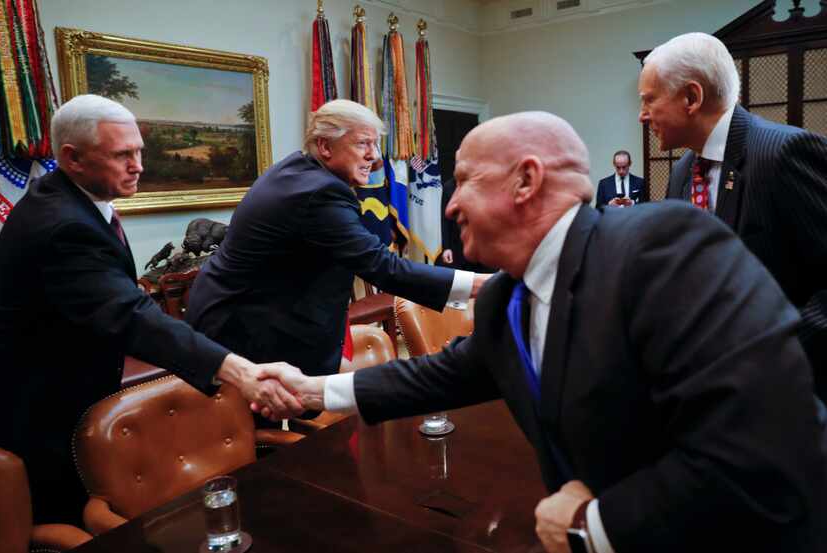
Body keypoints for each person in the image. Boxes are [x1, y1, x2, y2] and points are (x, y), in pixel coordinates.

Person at [262, 111, 827, 553]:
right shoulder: (509, 295)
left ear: (526, 180)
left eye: (464, 181)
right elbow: (446, 372)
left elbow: (767, 447)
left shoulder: (661, 247)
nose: (452, 204)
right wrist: (312, 389)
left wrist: (591, 525)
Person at [0, 95, 301, 526]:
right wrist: (240, 372)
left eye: (139, 150)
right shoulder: (61, 224)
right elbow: (132, 315)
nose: (138, 164)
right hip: (45, 408)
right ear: (72, 157)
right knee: (72, 522)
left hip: (75, 386)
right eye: (123, 154)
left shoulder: (74, 199)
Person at [186, 99, 487, 384]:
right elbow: (381, 266)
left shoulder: (300, 172)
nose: (376, 156)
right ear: (325, 146)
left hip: (241, 314)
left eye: (375, 144)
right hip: (243, 329)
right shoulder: (320, 192)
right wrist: (481, 286)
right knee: (266, 426)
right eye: (363, 144)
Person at [642, 32, 827, 399]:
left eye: (649, 100)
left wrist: (771, 357)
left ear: (691, 98)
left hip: (792, 392)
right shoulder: (682, 172)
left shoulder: (783, 153)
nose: (642, 114)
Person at [437, 177, 495, 272]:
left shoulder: (486, 183)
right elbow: (445, 220)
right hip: (458, 246)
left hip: (485, 246)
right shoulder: (449, 186)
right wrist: (446, 248)